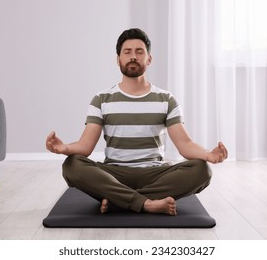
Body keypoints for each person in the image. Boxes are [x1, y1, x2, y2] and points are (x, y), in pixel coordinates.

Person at [46, 28, 228, 216]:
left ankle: (120, 202)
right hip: (114, 174)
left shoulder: (165, 99)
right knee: (72, 165)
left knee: (201, 170)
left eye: (139, 52)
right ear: (118, 59)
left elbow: (185, 144)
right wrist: (64, 148)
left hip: (154, 174)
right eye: (127, 52)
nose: (133, 56)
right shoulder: (102, 99)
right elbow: (85, 146)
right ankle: (148, 204)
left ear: (149, 59)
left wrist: (208, 155)